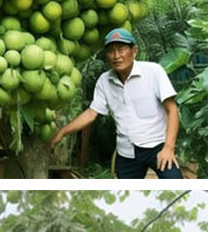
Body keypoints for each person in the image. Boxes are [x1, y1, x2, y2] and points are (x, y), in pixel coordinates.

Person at [48, 28, 182, 179]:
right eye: (111, 51)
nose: (116, 56)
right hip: (127, 152)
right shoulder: (105, 81)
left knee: (176, 183)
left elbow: (172, 109)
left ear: (134, 51)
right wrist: (62, 132)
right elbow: (91, 113)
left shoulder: (153, 72)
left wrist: (169, 148)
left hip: (157, 147)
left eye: (121, 49)